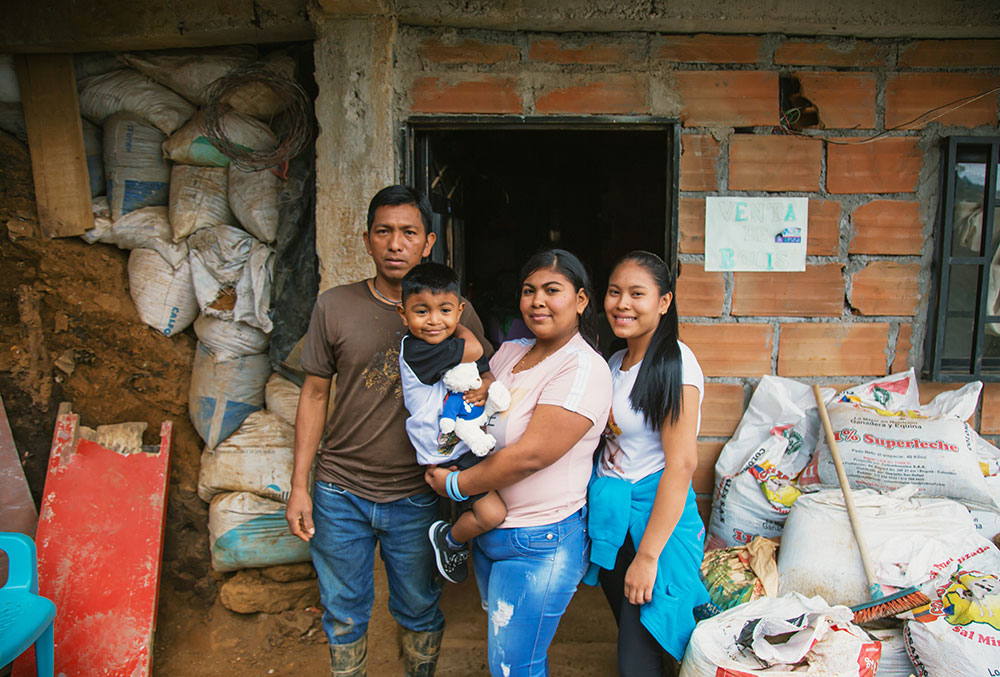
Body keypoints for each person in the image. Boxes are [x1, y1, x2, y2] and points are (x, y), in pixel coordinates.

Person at [285, 185, 492, 677]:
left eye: (408, 233)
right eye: (384, 232)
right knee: (343, 611)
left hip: (415, 493)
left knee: (419, 605)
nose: (395, 243)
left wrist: (483, 391)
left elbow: (482, 375)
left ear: (429, 242)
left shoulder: (454, 312)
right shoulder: (334, 307)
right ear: (366, 240)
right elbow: (314, 395)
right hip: (340, 490)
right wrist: (299, 485)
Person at [426, 249, 612, 677]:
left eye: (552, 290)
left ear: (581, 300)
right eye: (529, 291)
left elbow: (530, 456)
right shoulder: (511, 352)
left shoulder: (583, 368)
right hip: (493, 533)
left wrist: (457, 486)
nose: (537, 301)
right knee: (513, 659)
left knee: (514, 667)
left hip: (540, 543)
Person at [585, 251, 711, 676]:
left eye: (637, 294)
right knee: (638, 634)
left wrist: (649, 556)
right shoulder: (614, 363)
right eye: (615, 292)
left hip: (657, 524)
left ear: (664, 301)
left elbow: (681, 465)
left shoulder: (675, 364)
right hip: (613, 520)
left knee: (636, 658)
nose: (623, 304)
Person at [396, 262, 508, 585]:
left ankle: (457, 539)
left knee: (496, 508)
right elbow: (473, 348)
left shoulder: (440, 343)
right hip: (445, 454)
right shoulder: (416, 348)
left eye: (444, 310)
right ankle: (451, 539)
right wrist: (457, 324)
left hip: (462, 446)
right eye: (421, 311)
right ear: (403, 315)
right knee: (493, 514)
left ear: (459, 309)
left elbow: (481, 366)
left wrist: (486, 382)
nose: (434, 321)